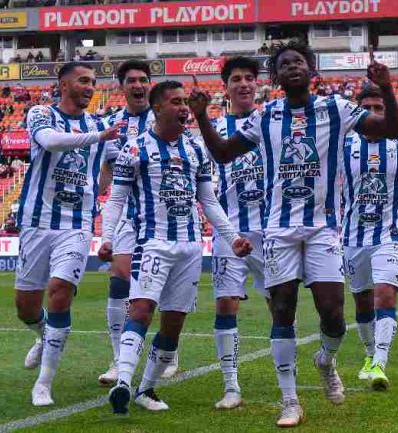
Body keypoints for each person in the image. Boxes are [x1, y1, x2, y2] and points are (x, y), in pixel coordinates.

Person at [189, 42, 398, 427]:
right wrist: (202, 115)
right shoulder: (266, 116)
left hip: (323, 228)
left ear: (311, 70)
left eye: (298, 62)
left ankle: (325, 360)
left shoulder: (335, 108)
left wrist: (386, 88)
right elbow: (222, 153)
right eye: (284, 64)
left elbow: (392, 128)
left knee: (334, 315)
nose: (292, 67)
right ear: (276, 77)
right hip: (280, 230)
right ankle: (290, 401)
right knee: (283, 309)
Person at [98, 80, 253, 416]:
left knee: (173, 323)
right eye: (176, 102)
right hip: (152, 243)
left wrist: (232, 237)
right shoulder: (135, 149)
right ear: (157, 108)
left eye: (185, 102)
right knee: (140, 309)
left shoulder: (196, 150)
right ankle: (124, 381)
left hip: (190, 247)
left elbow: (208, 201)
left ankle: (146, 388)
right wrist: (107, 238)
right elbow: (116, 199)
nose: (184, 107)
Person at [12, 62, 122, 407]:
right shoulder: (41, 114)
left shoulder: (99, 124)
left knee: (59, 292)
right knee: (25, 307)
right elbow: (50, 142)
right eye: (83, 80)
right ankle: (43, 334)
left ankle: (44, 383)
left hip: (76, 225)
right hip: (37, 221)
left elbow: (111, 165)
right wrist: (98, 137)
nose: (90, 87)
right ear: (64, 84)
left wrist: (97, 188)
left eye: (93, 82)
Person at [340, 84, 398, 391]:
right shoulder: (344, 144)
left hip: (389, 235)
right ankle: (369, 355)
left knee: (385, 295)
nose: (374, 114)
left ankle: (380, 363)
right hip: (352, 238)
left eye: (380, 108)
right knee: (362, 300)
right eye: (368, 108)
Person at [208, 57, 269, 410]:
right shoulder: (215, 129)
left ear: (256, 84)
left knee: (280, 306)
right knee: (226, 303)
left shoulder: (272, 122)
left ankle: (284, 374)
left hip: (271, 230)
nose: (243, 84)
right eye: (236, 79)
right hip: (230, 228)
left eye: (249, 78)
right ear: (226, 86)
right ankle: (231, 386)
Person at [97, 60, 161, 386]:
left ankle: (167, 352)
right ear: (122, 86)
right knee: (119, 279)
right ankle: (117, 357)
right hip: (125, 213)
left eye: (143, 79)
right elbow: (107, 171)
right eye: (132, 80)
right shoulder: (110, 124)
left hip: (159, 214)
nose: (138, 85)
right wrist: (93, 193)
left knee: (154, 287)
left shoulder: (162, 117)